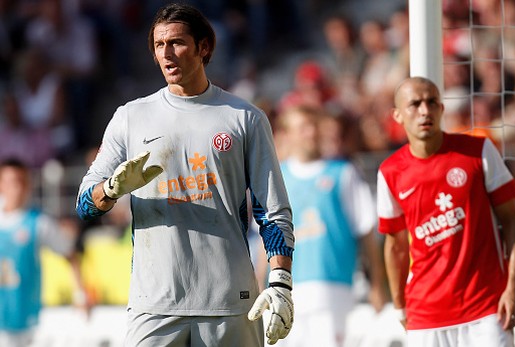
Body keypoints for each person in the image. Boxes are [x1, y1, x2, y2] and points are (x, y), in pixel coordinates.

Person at [75, 3, 295, 346]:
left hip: (230, 302)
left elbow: (272, 211)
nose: (167, 53)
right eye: (159, 45)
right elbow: (85, 205)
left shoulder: (245, 118)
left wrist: (280, 282)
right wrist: (113, 188)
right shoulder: (131, 117)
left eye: (177, 42)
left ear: (203, 47)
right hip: (155, 305)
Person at [377, 77, 515, 346]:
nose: (425, 110)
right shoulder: (389, 172)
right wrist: (399, 306)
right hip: (426, 315)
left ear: (442, 108)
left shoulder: (478, 150)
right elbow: (395, 245)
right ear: (397, 115)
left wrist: (514, 288)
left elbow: (512, 221)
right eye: (415, 104)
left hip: (487, 309)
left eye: (431, 102)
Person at [267, 106, 388, 346]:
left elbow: (365, 233)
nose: (310, 133)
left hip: (334, 288)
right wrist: (261, 284)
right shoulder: (277, 178)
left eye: (314, 127)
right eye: (303, 128)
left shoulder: (344, 173)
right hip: (289, 288)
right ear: (287, 134)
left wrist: (376, 285)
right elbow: (267, 238)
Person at [0, 158, 86, 347]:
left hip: (23, 318)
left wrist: (80, 293)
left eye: (20, 182)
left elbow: (69, 254)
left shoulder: (38, 222)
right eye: (10, 182)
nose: (16, 188)